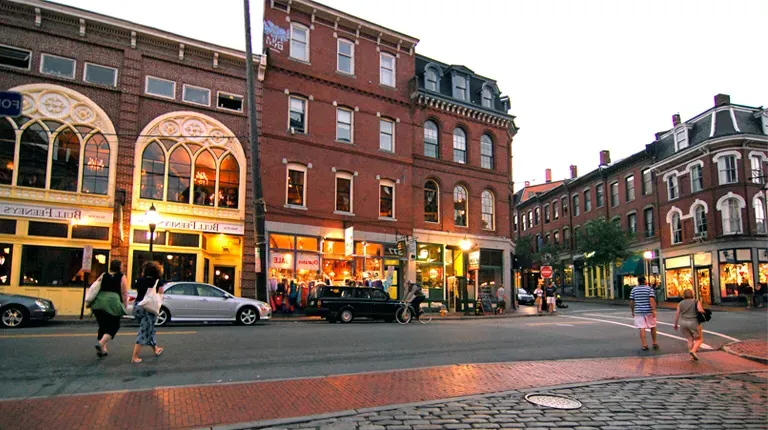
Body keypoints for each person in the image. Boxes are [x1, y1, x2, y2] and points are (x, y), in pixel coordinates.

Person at [90, 260, 128, 358]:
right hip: (112, 303)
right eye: (122, 265)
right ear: (119, 267)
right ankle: (101, 343)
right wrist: (124, 305)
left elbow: (95, 286)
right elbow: (124, 292)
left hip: (99, 303)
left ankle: (103, 350)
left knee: (103, 326)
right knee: (114, 326)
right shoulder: (122, 277)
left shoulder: (103, 275)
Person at [131, 261, 165, 364]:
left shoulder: (140, 280)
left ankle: (156, 348)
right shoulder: (157, 281)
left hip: (138, 306)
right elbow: (161, 292)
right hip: (148, 308)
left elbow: (137, 288)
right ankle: (134, 356)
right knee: (144, 331)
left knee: (150, 328)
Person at [674, 289, 706, 361]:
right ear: (692, 294)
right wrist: (705, 312)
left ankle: (691, 356)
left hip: (683, 323)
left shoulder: (680, 303)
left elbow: (677, 314)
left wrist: (675, 324)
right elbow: (700, 310)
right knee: (699, 339)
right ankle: (693, 351)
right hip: (693, 322)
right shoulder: (696, 301)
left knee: (690, 338)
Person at [630, 275, 658, 351]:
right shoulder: (649, 289)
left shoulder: (634, 290)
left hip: (638, 311)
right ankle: (654, 343)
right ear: (645, 281)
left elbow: (632, 301)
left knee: (642, 328)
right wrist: (654, 310)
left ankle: (644, 345)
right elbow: (651, 299)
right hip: (649, 311)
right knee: (652, 326)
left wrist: (632, 310)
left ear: (638, 282)